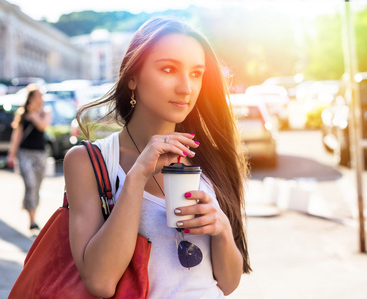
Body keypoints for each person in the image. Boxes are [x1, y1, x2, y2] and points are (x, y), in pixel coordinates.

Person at [64, 17, 251, 298]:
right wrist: (137, 175)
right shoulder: (90, 161)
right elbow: (100, 282)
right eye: (168, 69)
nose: (186, 88)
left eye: (196, 73)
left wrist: (222, 229)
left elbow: (228, 283)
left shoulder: (211, 158)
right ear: (132, 76)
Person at [7, 85, 52, 231]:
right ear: (31, 98)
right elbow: (17, 135)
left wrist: (33, 115)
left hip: (40, 154)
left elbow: (43, 126)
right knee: (30, 184)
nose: (41, 98)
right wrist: (11, 154)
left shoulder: (45, 112)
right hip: (24, 153)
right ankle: (32, 220)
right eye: (39, 95)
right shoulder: (22, 114)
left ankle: (31, 209)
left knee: (37, 186)